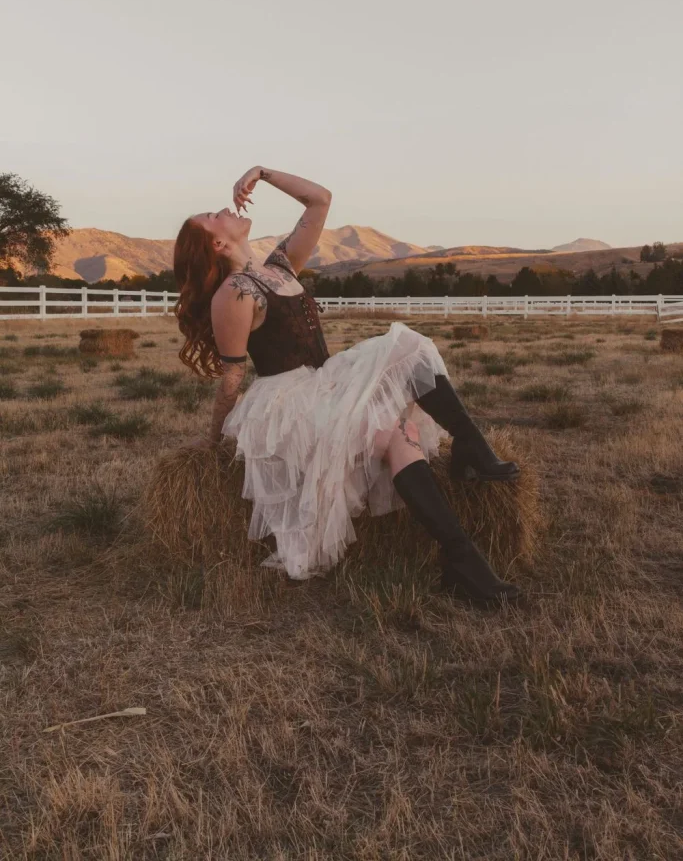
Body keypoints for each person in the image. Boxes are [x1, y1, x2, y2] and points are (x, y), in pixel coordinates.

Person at [173, 166, 522, 607]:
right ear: (217, 245)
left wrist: (262, 172)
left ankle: (467, 507)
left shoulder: (279, 266)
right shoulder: (233, 293)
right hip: (291, 402)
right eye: (212, 215)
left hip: (328, 382)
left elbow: (320, 200)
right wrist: (215, 442)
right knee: (392, 432)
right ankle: (463, 555)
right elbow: (233, 378)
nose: (223, 208)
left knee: (409, 351)